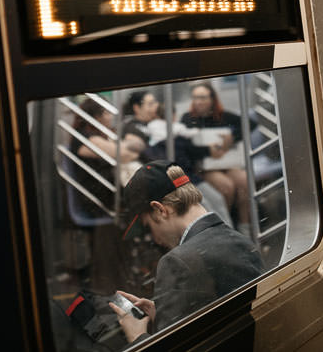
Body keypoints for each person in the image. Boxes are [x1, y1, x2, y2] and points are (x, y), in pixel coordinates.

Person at [109, 161, 261, 343]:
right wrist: (167, 314)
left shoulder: (176, 262)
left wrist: (137, 336)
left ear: (159, 210)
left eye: (148, 228)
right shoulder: (240, 241)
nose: (155, 239)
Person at [173, 82, 250, 228]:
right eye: (195, 98)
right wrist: (208, 150)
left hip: (226, 162)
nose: (198, 102)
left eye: (202, 97)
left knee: (244, 181)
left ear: (212, 99)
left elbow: (249, 123)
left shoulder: (222, 116)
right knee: (226, 187)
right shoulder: (187, 119)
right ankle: (225, 227)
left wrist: (232, 137)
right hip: (204, 166)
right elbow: (186, 148)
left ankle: (245, 226)